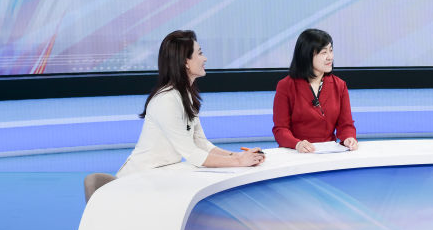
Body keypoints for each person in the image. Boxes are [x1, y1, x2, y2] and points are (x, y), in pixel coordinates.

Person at [118, 30, 264, 177]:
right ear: (185, 62)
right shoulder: (166, 100)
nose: (205, 58)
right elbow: (192, 153)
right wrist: (239, 161)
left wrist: (237, 156)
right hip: (136, 178)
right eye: (200, 54)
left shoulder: (185, 94)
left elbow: (200, 143)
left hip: (158, 175)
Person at [273, 28, 357, 152]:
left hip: (328, 152)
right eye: (324, 52)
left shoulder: (339, 85)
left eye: (331, 51)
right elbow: (280, 129)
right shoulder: (286, 86)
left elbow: (346, 125)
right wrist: (297, 144)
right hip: (295, 152)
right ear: (307, 55)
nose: (330, 57)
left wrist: (348, 138)